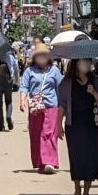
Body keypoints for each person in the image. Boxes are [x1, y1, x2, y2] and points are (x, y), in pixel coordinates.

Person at [60, 57, 98, 195]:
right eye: (83, 62)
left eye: (88, 62)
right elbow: (61, 104)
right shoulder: (67, 83)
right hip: (74, 126)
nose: (87, 64)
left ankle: (87, 193)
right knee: (77, 159)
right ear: (76, 64)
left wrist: (94, 93)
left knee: (91, 159)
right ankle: (77, 189)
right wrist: (57, 124)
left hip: (92, 125)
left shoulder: (94, 80)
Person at [18, 45, 63, 173]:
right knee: (37, 134)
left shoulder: (54, 71)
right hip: (36, 108)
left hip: (51, 106)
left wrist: (62, 106)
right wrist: (22, 101)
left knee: (49, 134)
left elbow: (60, 89)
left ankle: (50, 162)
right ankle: (40, 162)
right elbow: (24, 87)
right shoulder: (29, 71)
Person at [0, 56, 16, 131]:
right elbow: (14, 66)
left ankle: (1, 125)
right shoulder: (10, 56)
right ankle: (8, 116)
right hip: (8, 81)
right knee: (9, 101)